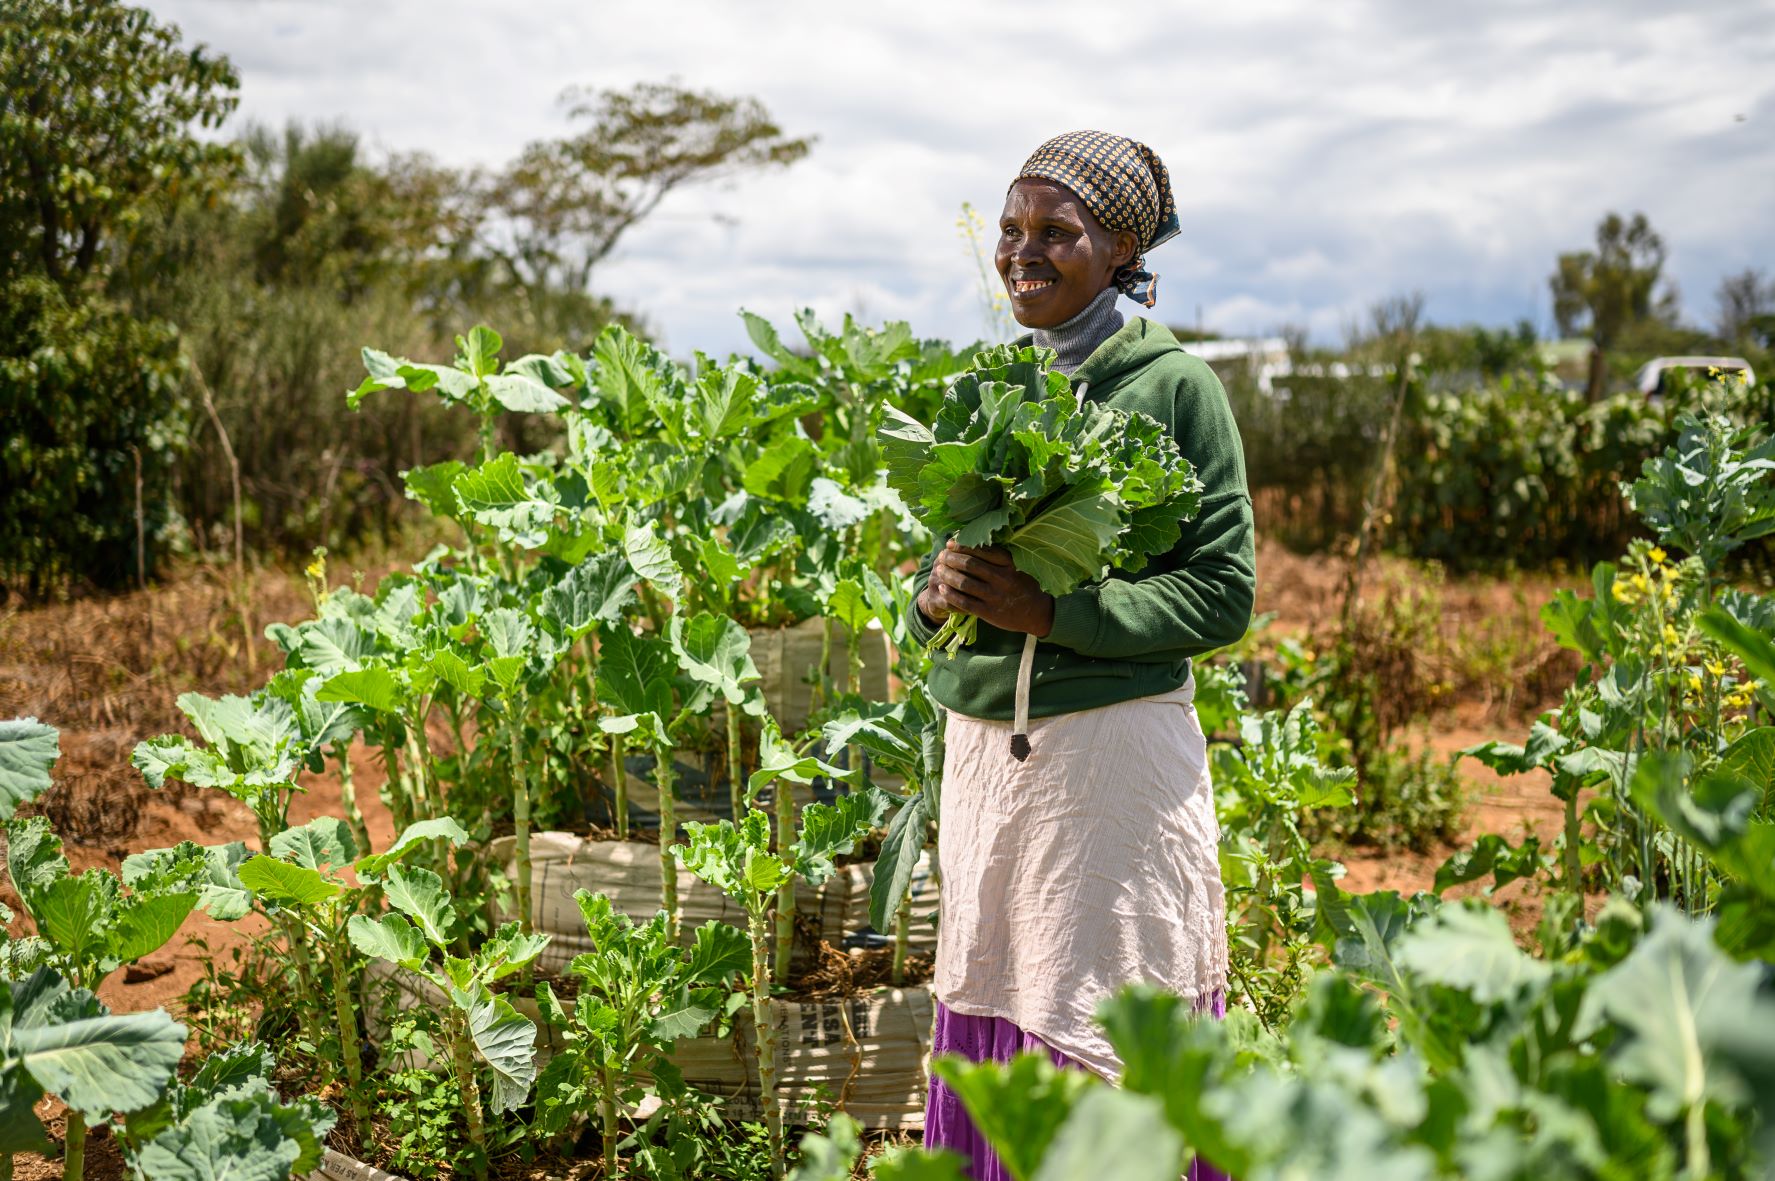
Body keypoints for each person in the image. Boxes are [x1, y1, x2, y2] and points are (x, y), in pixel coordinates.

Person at [911, 130, 1253, 1181]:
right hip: (985, 767)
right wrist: (930, 601)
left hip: (1105, 769)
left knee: (1101, 1006)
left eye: (1055, 231)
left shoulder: (1174, 386)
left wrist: (1056, 614)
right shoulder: (993, 385)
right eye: (1011, 229)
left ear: (1120, 250)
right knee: (1000, 994)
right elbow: (942, 580)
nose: (1022, 250)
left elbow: (1221, 590)